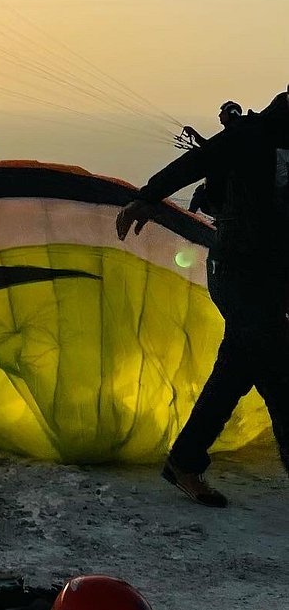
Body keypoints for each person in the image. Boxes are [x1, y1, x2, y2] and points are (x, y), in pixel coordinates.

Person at [116, 89, 289, 509]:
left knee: (235, 373)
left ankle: (184, 460)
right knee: (279, 372)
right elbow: (198, 161)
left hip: (270, 279)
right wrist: (147, 196)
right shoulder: (251, 135)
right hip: (236, 272)